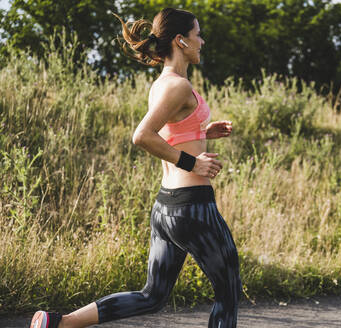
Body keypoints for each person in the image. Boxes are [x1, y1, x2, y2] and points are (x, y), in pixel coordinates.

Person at [30, 7, 242, 328]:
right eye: (197, 34)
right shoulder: (178, 87)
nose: (202, 40)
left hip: (166, 209)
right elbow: (142, 136)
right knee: (228, 293)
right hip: (193, 209)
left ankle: (59, 322)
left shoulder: (163, 84)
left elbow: (169, 129)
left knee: (152, 295)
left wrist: (203, 132)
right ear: (180, 41)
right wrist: (193, 161)